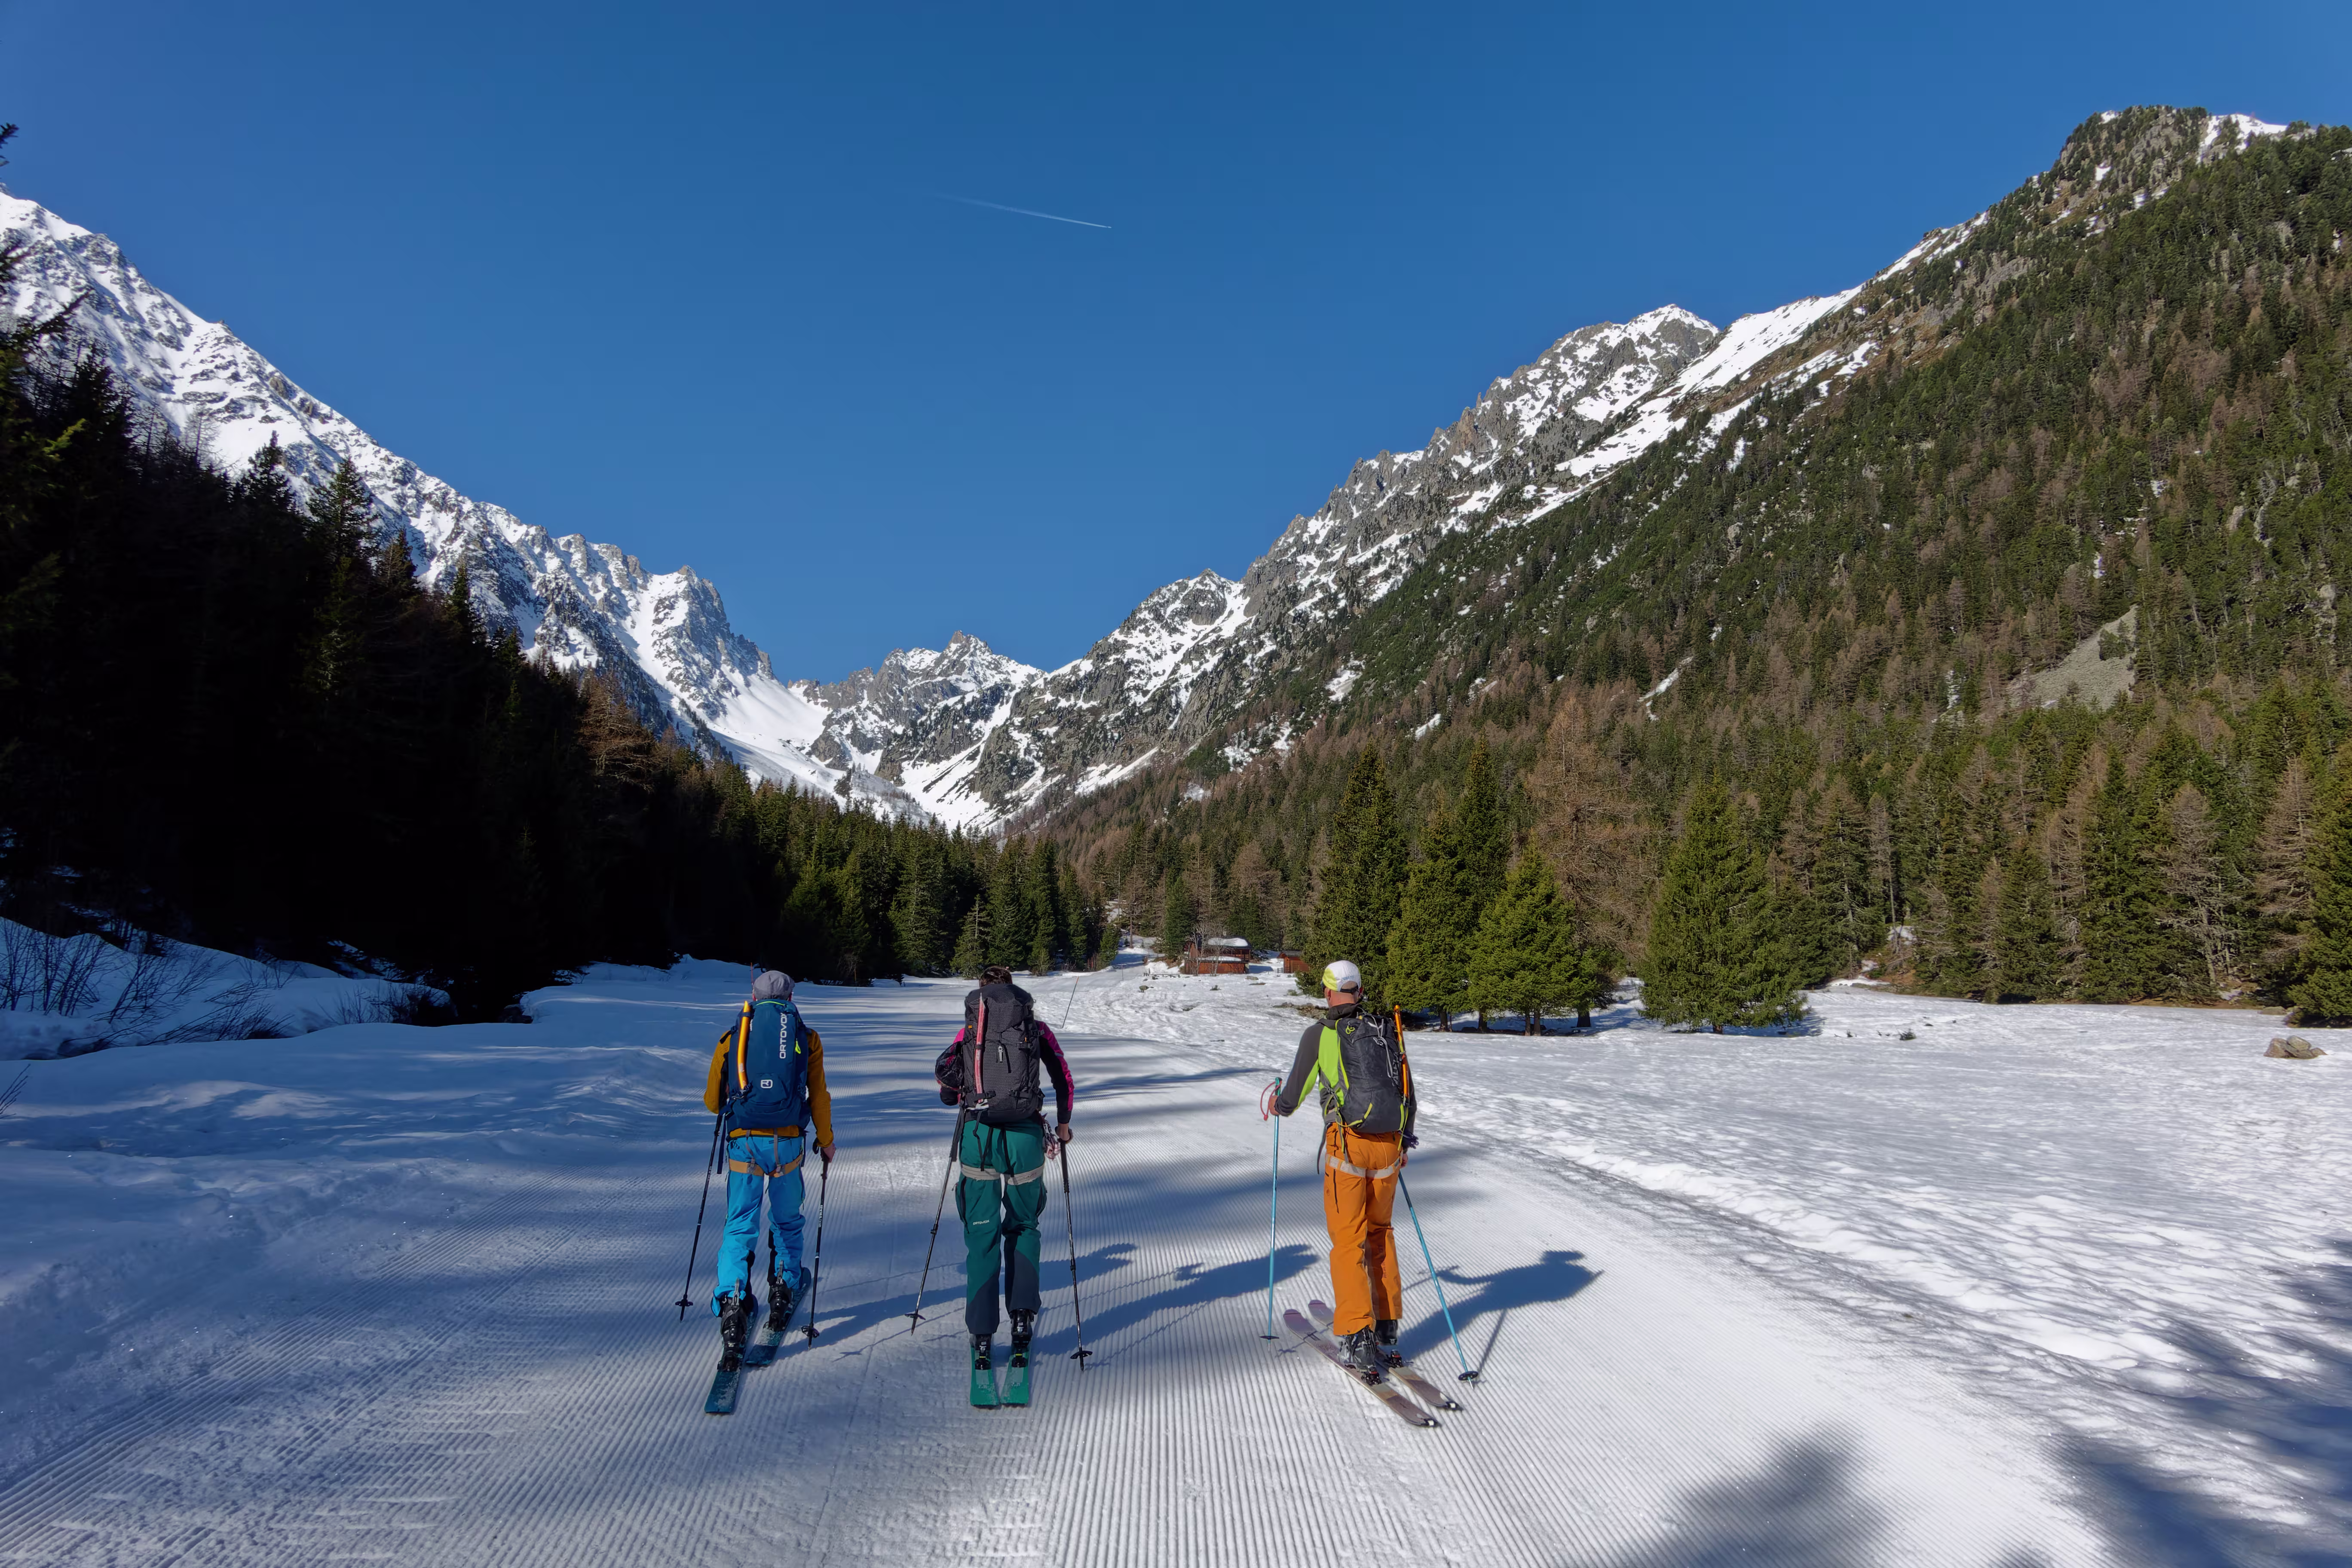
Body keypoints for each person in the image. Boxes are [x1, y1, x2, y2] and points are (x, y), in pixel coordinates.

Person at [1268, 958, 1417, 1376]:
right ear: (1361, 991)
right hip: (1389, 1146)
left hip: (1348, 1148)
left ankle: (1356, 1334)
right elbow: (1407, 1088)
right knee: (1380, 1232)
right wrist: (1405, 1139)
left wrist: (1279, 1103)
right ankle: (1386, 1324)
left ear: (1330, 992)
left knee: (1349, 1240)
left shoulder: (1320, 1034)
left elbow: (1293, 1096)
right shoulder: (1386, 1030)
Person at [932, 965, 1075, 1378]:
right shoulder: (1037, 1028)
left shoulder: (970, 1031)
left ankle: (981, 1334)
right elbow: (1063, 1078)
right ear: (1016, 993)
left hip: (979, 1139)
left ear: (981, 995)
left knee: (982, 1234)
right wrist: (1063, 1123)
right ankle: (1021, 1320)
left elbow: (947, 1090)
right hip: (1026, 1139)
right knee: (1024, 1226)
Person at [702, 970, 836, 1366]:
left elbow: (713, 1102)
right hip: (789, 1142)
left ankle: (732, 1302)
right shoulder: (806, 1038)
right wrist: (826, 1141)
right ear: (792, 998)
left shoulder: (733, 1038)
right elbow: (820, 1094)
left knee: (740, 1222)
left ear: (753, 996)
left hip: (743, 1142)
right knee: (787, 1219)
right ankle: (783, 1288)